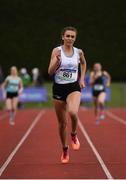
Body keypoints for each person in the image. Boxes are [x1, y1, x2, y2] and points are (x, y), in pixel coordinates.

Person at [48, 26, 87, 163]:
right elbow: (50, 72)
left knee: (72, 112)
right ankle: (65, 150)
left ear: (75, 38)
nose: (70, 38)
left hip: (73, 87)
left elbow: (83, 63)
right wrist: (57, 62)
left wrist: (81, 79)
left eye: (72, 36)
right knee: (62, 123)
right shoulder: (57, 51)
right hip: (58, 88)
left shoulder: (79, 52)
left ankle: (74, 134)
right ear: (63, 37)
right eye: (68, 36)